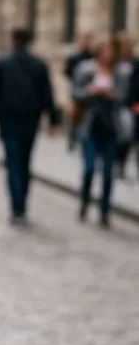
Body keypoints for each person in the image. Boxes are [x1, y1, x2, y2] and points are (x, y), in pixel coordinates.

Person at [0, 26, 58, 224]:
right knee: (25, 162)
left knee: (13, 163)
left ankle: (17, 206)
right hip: (30, 120)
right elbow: (47, 94)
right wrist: (53, 119)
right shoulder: (38, 64)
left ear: (14, 40)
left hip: (8, 120)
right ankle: (22, 204)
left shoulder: (1, 63)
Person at [73, 37, 122, 227]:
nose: (108, 55)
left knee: (108, 173)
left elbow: (127, 95)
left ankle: (104, 211)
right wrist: (90, 92)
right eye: (105, 51)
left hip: (111, 126)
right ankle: (85, 202)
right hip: (91, 125)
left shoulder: (118, 73)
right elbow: (76, 93)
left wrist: (113, 94)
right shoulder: (86, 69)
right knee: (89, 168)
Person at [114, 34, 137, 180]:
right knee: (117, 136)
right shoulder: (114, 63)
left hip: (129, 105)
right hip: (114, 105)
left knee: (127, 136)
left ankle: (121, 163)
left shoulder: (135, 64)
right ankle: (115, 162)